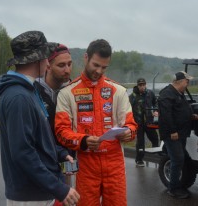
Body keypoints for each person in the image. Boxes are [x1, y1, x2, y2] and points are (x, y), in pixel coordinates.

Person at [0, 31, 79, 206]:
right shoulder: (19, 97)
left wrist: (60, 153)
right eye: (46, 57)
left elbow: (38, 138)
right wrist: (60, 189)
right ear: (37, 59)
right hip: (29, 195)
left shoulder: (28, 91)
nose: (48, 62)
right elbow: (23, 153)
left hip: (37, 190)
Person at [54, 39, 138, 206]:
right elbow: (61, 132)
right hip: (85, 165)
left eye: (104, 67)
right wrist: (83, 141)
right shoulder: (67, 93)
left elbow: (132, 125)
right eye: (96, 65)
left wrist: (128, 132)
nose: (99, 71)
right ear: (86, 57)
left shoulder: (118, 91)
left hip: (114, 164)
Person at [35, 42, 74, 206]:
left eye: (70, 64)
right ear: (48, 65)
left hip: (68, 157)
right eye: (61, 65)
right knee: (46, 198)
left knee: (67, 196)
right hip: (44, 158)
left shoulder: (73, 90)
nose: (67, 70)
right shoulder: (34, 89)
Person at [158, 71, 198, 199]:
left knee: (182, 158)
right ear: (179, 81)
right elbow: (166, 115)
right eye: (187, 81)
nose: (188, 83)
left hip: (182, 133)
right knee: (178, 159)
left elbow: (182, 108)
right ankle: (173, 189)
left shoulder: (179, 93)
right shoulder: (166, 94)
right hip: (172, 134)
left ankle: (180, 183)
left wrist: (191, 115)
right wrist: (172, 131)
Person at [129, 77, 159, 167]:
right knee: (141, 142)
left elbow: (156, 102)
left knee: (154, 138)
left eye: (143, 85)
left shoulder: (150, 93)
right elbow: (127, 109)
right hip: (138, 123)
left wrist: (156, 110)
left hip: (149, 121)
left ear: (146, 85)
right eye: (140, 85)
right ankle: (139, 160)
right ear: (137, 86)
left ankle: (156, 155)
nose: (142, 87)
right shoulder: (133, 96)